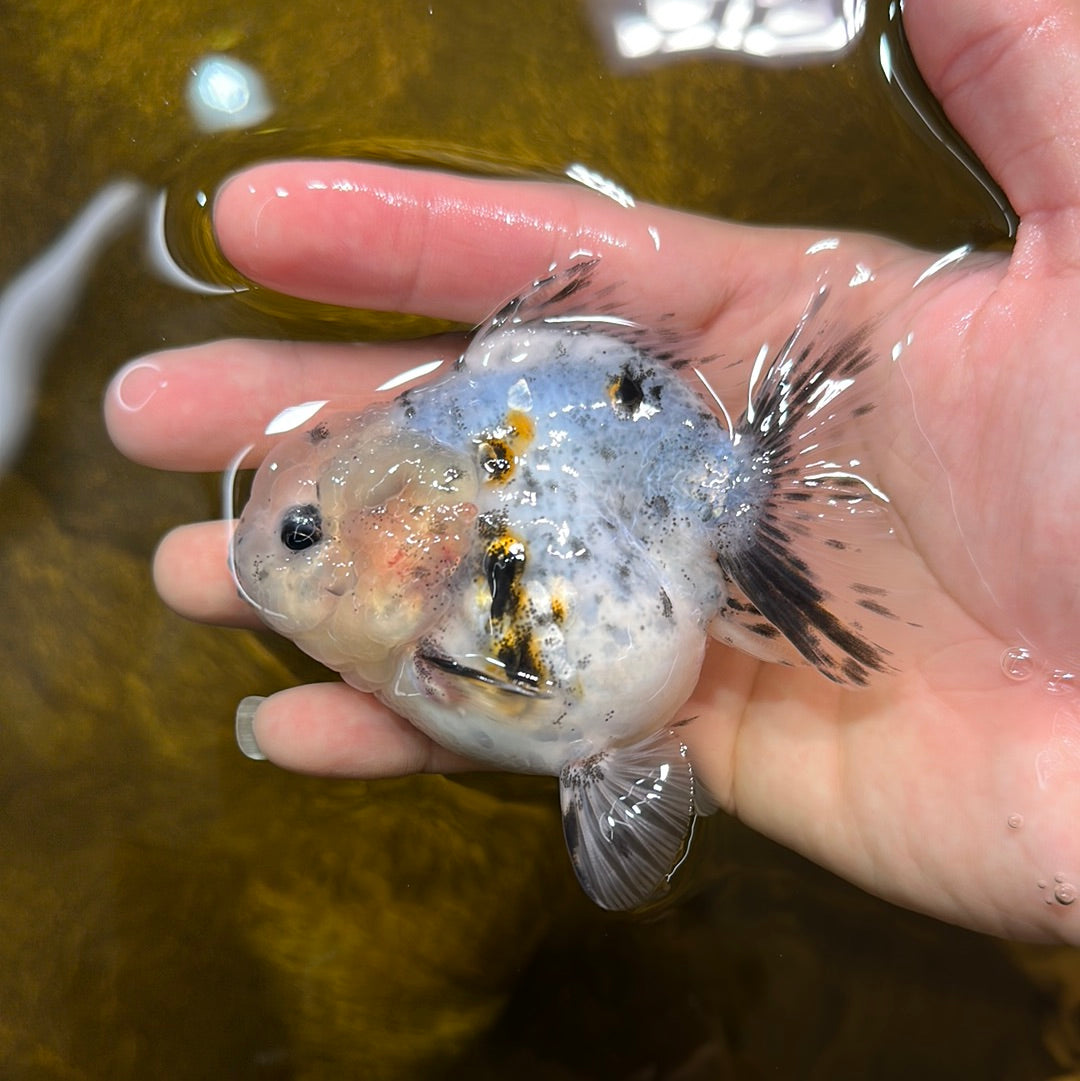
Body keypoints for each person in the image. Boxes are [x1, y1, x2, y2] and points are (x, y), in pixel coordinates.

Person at [105, 0, 1080, 943]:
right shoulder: (431, 599)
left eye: (306, 533)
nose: (283, 553)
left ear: (405, 522)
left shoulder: (451, 589)